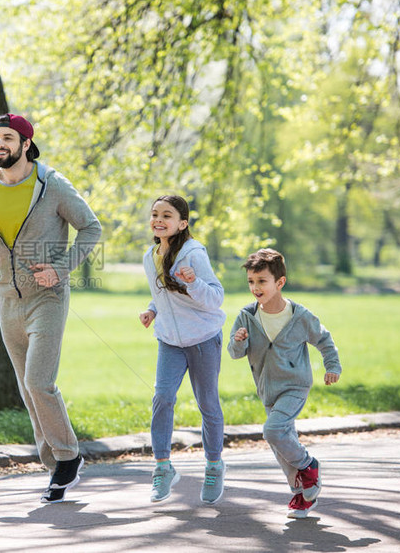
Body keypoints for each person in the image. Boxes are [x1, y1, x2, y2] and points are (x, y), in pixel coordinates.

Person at [0, 113, 102, 504]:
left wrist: (61, 268)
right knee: (27, 388)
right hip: (6, 297)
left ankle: (68, 458)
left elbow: (91, 228)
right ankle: (54, 463)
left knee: (40, 382)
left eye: (7, 137)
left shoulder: (51, 185)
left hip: (48, 298)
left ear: (25, 143)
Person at [227, 248, 342, 519]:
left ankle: (308, 465)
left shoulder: (300, 316)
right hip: (268, 389)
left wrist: (332, 366)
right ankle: (301, 493)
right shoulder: (247, 315)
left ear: (279, 283)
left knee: (273, 430)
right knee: (280, 443)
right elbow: (234, 353)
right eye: (251, 282)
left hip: (295, 385)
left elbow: (324, 340)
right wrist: (238, 341)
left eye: (262, 281)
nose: (255, 287)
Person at [138, 195, 226, 505]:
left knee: (207, 403)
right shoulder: (150, 256)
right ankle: (163, 467)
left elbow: (216, 297)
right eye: (155, 214)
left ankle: (214, 466)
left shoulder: (193, 253)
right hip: (170, 342)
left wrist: (192, 283)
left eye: (167, 215)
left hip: (203, 339)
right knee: (162, 398)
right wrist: (152, 310)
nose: (158, 219)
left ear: (182, 223)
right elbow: (161, 295)